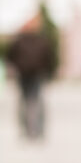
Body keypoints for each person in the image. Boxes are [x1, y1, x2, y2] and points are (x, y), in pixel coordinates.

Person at [7, 11, 57, 139]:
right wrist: (50, 72)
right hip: (33, 74)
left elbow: (11, 56)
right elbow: (49, 58)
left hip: (28, 74)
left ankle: (29, 129)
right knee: (34, 101)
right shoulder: (41, 40)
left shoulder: (20, 40)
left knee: (27, 101)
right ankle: (34, 129)